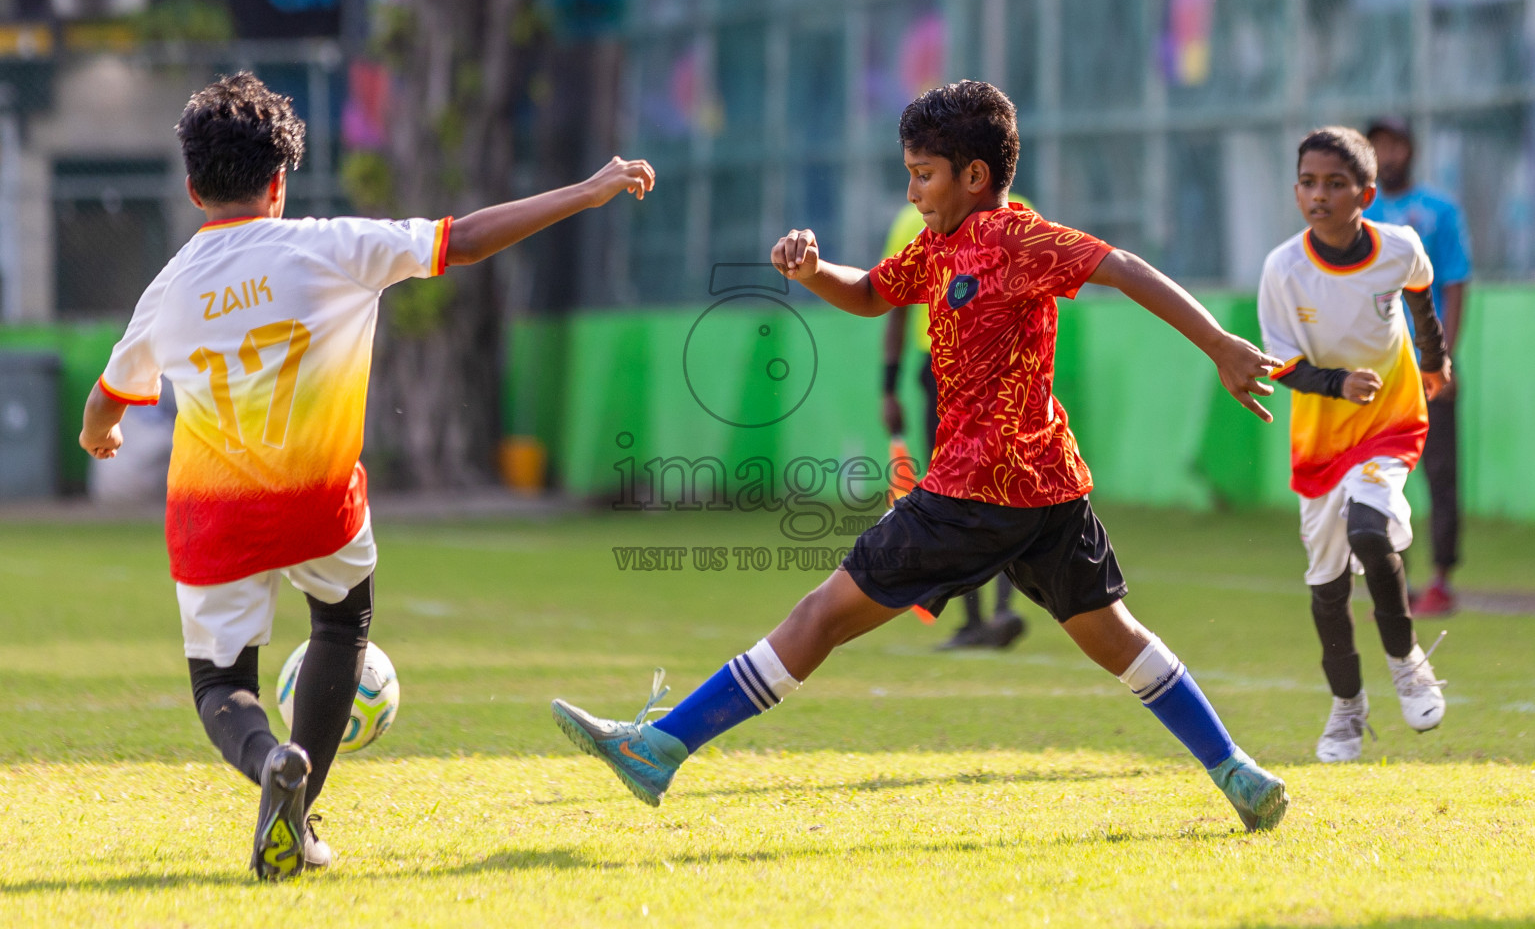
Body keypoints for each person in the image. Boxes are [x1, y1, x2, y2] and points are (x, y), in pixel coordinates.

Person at [552, 80, 1290, 833]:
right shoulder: (939, 245)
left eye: (923, 174)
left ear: (974, 175)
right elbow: (872, 292)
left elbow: (1123, 266)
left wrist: (1220, 345)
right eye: (908, 171)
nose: (912, 189)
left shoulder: (1018, 237)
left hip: (976, 490)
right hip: (1047, 488)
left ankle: (660, 747)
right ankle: (1235, 771)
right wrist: (811, 271)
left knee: (820, 616)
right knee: (1114, 636)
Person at [79, 72, 654, 879]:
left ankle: (271, 763)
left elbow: (108, 400)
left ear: (190, 186)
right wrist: (586, 191)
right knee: (342, 624)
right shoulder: (332, 245)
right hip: (320, 506)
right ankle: (298, 814)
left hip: (214, 521)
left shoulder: (167, 290)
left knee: (220, 684)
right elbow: (468, 237)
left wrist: (97, 436)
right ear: (280, 182)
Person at [1257, 126, 1450, 765]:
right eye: (1309, 183)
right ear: (1296, 190)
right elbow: (1280, 366)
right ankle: (1346, 708)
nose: (1319, 195)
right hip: (1320, 440)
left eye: (1335, 184)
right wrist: (1337, 382)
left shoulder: (1399, 247)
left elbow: (1422, 293)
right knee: (1328, 586)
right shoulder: (1283, 270)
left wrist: (1434, 359)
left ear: (1364, 194)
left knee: (1370, 529)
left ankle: (1408, 662)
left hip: (1393, 419)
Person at [881, 198, 1027, 650]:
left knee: (965, 492)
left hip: (979, 371)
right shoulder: (918, 220)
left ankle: (984, 618)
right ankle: (989, 615)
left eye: (924, 173)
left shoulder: (917, 217)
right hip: (965, 371)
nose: (915, 189)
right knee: (993, 489)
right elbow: (891, 298)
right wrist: (888, 385)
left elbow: (895, 309)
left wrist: (888, 385)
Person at [1363, 117, 1471, 618]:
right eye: (1377, 144)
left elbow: (1454, 282)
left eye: (1394, 144)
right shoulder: (1362, 214)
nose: (1387, 154)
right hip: (1378, 371)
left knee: (1441, 472)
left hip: (1427, 367)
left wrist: (1443, 359)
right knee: (1380, 475)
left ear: (1409, 149)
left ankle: (1443, 580)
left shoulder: (1438, 211)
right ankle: (1395, 580)